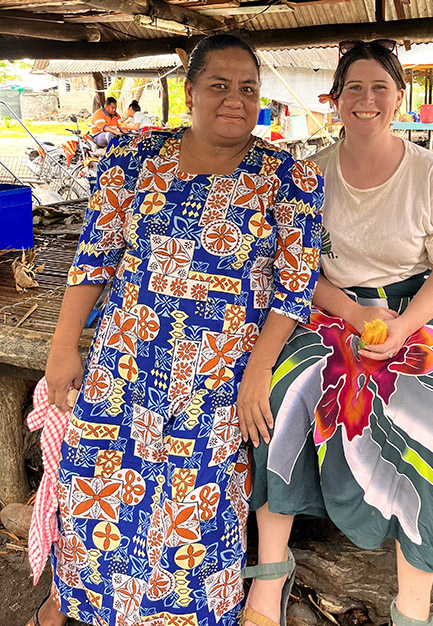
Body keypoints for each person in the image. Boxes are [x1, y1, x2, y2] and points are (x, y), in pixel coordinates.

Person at [27, 33, 323, 626]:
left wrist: (258, 370)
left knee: (197, 507)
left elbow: (295, 289)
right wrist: (63, 348)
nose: (235, 99)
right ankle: (82, 606)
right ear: (190, 92)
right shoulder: (131, 162)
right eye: (219, 85)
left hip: (217, 374)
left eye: (248, 88)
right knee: (96, 492)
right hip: (124, 362)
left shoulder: (288, 179)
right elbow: (94, 259)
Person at [245, 39, 433, 626]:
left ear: (398, 98)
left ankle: (413, 601)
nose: (366, 100)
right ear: (336, 98)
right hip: (327, 308)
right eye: (354, 88)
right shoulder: (310, 173)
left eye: (380, 88)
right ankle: (268, 579)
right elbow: (297, 270)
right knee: (283, 390)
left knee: (424, 410)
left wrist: (402, 327)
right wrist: (348, 313)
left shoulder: (432, 175)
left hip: (416, 314)